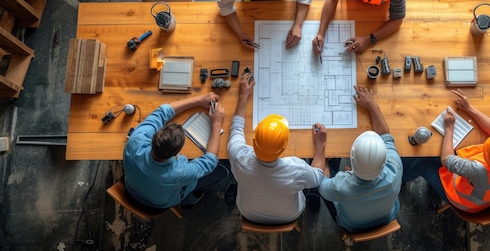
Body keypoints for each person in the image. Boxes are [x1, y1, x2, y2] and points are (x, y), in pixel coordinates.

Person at [402, 89, 490, 213]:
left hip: (465, 202)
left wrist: (449, 128)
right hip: (486, 193)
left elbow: (446, 160)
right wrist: (469, 108)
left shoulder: (479, 171)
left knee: (419, 159)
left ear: (489, 160)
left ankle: (400, 178)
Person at [227, 70, 327, 224]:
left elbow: (236, 129)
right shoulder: (296, 168)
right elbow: (318, 177)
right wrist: (320, 146)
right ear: (284, 148)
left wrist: (243, 96)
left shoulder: (239, 157)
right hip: (288, 216)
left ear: (253, 141)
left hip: (248, 213)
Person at [318, 85, 402, 233]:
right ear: (384, 161)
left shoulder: (340, 187)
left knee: (326, 167)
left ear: (351, 160)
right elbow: (386, 136)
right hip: (388, 217)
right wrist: (371, 104)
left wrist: (320, 149)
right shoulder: (395, 169)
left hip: (352, 226)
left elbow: (320, 182)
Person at [123, 93, 226, 209]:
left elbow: (162, 112)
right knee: (224, 169)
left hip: (131, 189)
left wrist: (199, 100)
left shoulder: (135, 141)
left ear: (154, 136)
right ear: (176, 155)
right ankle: (188, 200)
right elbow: (210, 162)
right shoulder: (179, 172)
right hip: (159, 204)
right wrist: (216, 123)